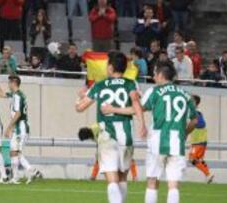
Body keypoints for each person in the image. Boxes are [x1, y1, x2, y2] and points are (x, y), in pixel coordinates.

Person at [75, 51, 147, 203]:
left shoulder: (99, 85)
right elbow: (136, 105)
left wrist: (79, 97)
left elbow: (80, 108)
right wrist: (143, 124)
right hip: (126, 134)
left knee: (111, 178)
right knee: (122, 177)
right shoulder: (131, 83)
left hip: (107, 134)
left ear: (111, 67)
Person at [141, 62, 198, 203]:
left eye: (154, 74)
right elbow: (195, 120)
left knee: (152, 181)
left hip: (157, 141)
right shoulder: (186, 95)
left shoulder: (154, 91)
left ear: (161, 75)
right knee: (173, 185)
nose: (153, 77)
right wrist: (184, 133)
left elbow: (140, 108)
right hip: (176, 142)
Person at [0, 74, 42, 184]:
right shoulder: (15, 95)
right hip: (17, 128)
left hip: (21, 128)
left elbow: (18, 113)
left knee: (16, 152)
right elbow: (1, 94)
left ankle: (31, 171)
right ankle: (16, 177)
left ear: (14, 83)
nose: (8, 84)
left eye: (9, 82)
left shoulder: (18, 96)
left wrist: (8, 127)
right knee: (13, 152)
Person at [188, 95, 214, 183]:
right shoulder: (194, 112)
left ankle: (208, 174)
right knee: (199, 159)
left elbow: (202, 124)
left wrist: (191, 124)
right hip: (199, 140)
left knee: (192, 158)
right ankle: (208, 174)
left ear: (195, 103)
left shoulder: (196, 112)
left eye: (191, 101)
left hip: (199, 140)